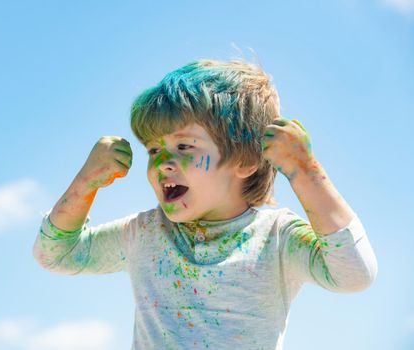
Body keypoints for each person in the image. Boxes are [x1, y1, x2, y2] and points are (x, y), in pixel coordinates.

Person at [33, 59, 378, 349]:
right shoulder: (145, 234)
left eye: (184, 147)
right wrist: (85, 182)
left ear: (245, 160)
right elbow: (56, 254)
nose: (162, 163)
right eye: (154, 149)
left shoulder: (278, 238)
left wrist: (306, 172)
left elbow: (354, 275)